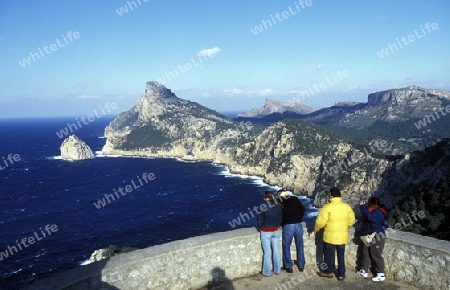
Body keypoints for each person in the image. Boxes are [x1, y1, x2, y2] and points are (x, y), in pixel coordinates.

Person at [314, 187, 355, 281]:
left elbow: (321, 222)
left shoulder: (327, 207)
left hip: (330, 237)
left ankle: (328, 272)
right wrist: (345, 226)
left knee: (328, 255)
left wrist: (316, 229)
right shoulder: (346, 207)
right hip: (342, 237)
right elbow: (352, 220)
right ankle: (341, 274)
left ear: (331, 196)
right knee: (341, 256)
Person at [356, 196, 389, 282]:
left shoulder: (378, 211)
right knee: (366, 253)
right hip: (369, 235)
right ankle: (364, 270)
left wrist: (363, 207)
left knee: (376, 255)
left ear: (372, 204)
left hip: (378, 235)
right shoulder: (373, 210)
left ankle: (381, 274)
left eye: (369, 203)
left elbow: (371, 217)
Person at [278, 190, 306, 273]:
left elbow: (279, 214)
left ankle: (288, 266)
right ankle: (301, 265)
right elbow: (303, 209)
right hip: (298, 224)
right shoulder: (295, 199)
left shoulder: (280, 202)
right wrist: (299, 218)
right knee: (300, 245)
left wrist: (282, 223)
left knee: (286, 246)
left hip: (288, 225)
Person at [256, 191, 283, 277]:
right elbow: (280, 217)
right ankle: (277, 270)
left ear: (265, 196)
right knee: (276, 251)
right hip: (275, 230)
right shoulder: (277, 204)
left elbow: (260, 219)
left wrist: (260, 227)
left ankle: (267, 272)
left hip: (266, 231)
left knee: (267, 252)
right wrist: (278, 225)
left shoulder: (262, 205)